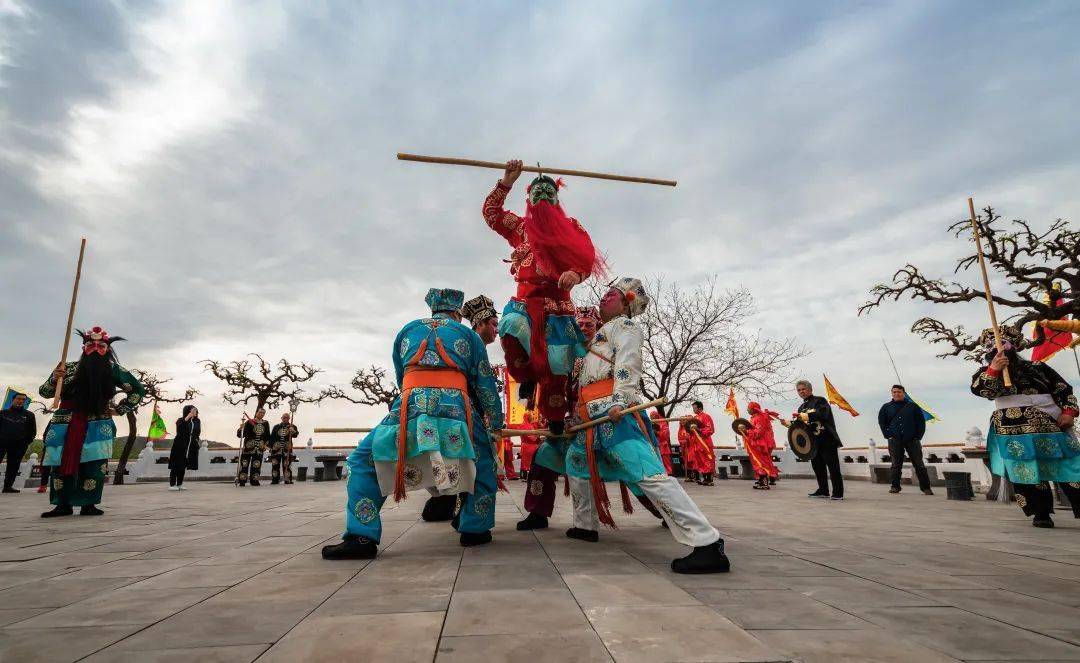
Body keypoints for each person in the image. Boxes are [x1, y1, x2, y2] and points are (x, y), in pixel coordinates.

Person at [538, 277, 729, 573]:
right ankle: (584, 525)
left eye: (611, 295)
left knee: (648, 474)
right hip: (590, 417)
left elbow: (629, 360)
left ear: (626, 301)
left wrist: (622, 399)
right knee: (577, 468)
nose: (604, 298)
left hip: (613, 410)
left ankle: (707, 542)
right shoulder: (600, 335)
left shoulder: (625, 327)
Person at [322, 288, 504, 560]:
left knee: (364, 461)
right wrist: (496, 423)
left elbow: (400, 376)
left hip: (411, 407)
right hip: (457, 408)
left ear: (433, 310)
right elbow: (486, 387)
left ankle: (361, 535)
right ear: (457, 313)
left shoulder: (407, 330)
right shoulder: (468, 336)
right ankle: (474, 529)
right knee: (484, 461)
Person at [483, 159, 604, 436]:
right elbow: (491, 214)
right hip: (526, 303)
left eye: (550, 192)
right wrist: (506, 182)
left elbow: (587, 255)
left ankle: (555, 419)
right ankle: (525, 378)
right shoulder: (520, 227)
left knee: (556, 368)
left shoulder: (571, 226)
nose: (544, 196)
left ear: (558, 198)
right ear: (528, 198)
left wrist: (576, 273)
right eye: (538, 192)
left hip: (557, 307)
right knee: (510, 327)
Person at [971, 325, 1079, 528]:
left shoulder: (1038, 367)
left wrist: (1068, 412)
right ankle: (1041, 513)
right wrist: (994, 369)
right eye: (990, 346)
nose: (996, 348)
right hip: (1013, 430)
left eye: (1002, 344)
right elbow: (984, 392)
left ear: (1014, 346)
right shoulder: (983, 373)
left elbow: (1064, 390)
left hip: (1050, 425)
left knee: (1070, 466)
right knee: (1026, 471)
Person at [37, 327, 145, 517]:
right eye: (90, 345)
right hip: (66, 422)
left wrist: (120, 409)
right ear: (83, 347)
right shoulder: (66, 368)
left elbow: (137, 390)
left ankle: (89, 503)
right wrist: (54, 379)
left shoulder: (114, 370)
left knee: (95, 464)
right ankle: (62, 504)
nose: (95, 349)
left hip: (97, 422)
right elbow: (45, 392)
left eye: (101, 346)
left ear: (108, 349)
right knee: (60, 462)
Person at [517, 306, 601, 531]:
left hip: (599, 422)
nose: (583, 328)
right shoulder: (566, 353)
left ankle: (660, 508)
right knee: (542, 459)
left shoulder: (603, 353)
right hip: (569, 424)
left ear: (598, 328)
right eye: (580, 325)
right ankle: (538, 513)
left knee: (637, 473)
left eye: (589, 325)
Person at [422, 294, 501, 523]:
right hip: (461, 413)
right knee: (480, 464)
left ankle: (453, 505)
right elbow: (484, 388)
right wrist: (496, 422)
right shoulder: (470, 341)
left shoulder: (457, 338)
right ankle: (471, 521)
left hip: (443, 411)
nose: (497, 330)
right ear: (480, 323)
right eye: (494, 324)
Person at [792, 380, 844, 500]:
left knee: (833, 467)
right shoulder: (801, 407)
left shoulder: (820, 401)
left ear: (810, 389)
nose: (801, 392)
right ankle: (823, 491)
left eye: (803, 389)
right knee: (818, 467)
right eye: (799, 390)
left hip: (827, 439)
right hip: (812, 443)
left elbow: (823, 414)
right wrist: (790, 424)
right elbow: (802, 425)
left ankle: (838, 493)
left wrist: (805, 416)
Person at [878, 385, 931, 495]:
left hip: (912, 440)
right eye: (894, 392)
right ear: (892, 393)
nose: (896, 394)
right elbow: (882, 422)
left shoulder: (913, 406)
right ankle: (895, 486)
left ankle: (926, 488)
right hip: (894, 440)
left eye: (899, 392)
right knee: (896, 464)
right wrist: (888, 435)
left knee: (919, 464)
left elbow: (921, 422)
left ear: (904, 393)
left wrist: (918, 436)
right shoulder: (886, 407)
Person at [0, 393, 36, 493]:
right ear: (13, 399)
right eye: (19, 398)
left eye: (23, 399)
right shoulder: (3, 413)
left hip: (19, 445)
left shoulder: (29, 415)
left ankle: (8, 487)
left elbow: (32, 431)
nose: (21, 401)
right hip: (2, 443)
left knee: (14, 466)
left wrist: (26, 442)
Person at [743, 402, 780, 489]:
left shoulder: (759, 418)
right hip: (756, 444)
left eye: (748, 408)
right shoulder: (754, 418)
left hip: (760, 444)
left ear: (753, 409)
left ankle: (764, 482)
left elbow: (759, 432)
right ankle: (761, 479)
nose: (747, 410)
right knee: (757, 462)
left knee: (761, 462)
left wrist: (746, 431)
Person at [168, 405, 200, 491]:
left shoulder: (197, 421)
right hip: (179, 446)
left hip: (189, 447)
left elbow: (197, 433)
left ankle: (179, 484)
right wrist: (188, 417)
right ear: (187, 411)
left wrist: (196, 441)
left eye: (196, 411)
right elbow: (180, 429)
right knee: (176, 465)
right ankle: (172, 484)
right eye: (193, 410)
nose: (195, 412)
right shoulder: (180, 420)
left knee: (183, 466)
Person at [235, 409, 270, 487]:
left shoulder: (266, 423)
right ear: (256, 413)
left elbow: (268, 436)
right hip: (248, 447)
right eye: (260, 412)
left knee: (256, 465)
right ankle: (242, 481)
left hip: (259, 448)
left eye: (263, 413)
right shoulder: (249, 422)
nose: (261, 414)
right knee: (244, 465)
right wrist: (241, 428)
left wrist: (265, 445)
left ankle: (254, 480)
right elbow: (241, 435)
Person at [687, 401, 716, 485]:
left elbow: (710, 429)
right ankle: (704, 478)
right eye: (693, 408)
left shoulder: (706, 416)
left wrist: (699, 430)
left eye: (694, 408)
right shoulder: (695, 418)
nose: (693, 409)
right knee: (700, 460)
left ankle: (709, 479)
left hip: (705, 442)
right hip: (696, 443)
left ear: (699, 408)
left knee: (707, 459)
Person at [269, 413, 299, 485]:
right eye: (284, 417)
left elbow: (295, 435)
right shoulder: (276, 427)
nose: (285, 419)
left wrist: (293, 431)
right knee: (275, 466)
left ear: (289, 419)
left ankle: (287, 479)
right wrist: (270, 447)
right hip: (276, 450)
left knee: (287, 465)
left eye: (287, 418)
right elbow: (272, 437)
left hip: (287, 450)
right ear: (281, 418)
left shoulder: (292, 426)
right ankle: (275, 480)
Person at [516, 412, 541, 481]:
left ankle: (524, 476)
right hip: (530, 446)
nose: (532, 418)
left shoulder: (523, 425)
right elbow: (532, 437)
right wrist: (538, 437)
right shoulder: (528, 426)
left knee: (524, 462)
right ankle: (528, 476)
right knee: (530, 462)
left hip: (525, 446)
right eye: (531, 416)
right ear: (528, 417)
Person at [650, 410, 674, 475]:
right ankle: (660, 473)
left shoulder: (663, 423)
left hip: (663, 445)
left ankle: (669, 473)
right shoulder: (650, 423)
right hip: (655, 445)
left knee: (665, 461)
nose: (652, 417)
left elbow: (666, 434)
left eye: (653, 415)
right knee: (656, 461)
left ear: (656, 415)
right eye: (651, 416)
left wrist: (657, 432)